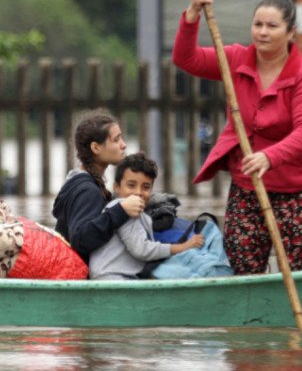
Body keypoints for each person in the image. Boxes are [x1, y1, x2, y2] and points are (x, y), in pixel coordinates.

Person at [174, 0, 302, 275]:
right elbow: (186, 59)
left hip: (299, 190)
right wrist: (193, 12)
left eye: (272, 26)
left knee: (299, 272)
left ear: (290, 32)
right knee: (241, 266)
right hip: (248, 185)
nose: (262, 32)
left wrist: (269, 157)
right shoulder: (234, 59)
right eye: (257, 24)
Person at [89, 152, 203, 280]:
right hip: (112, 277)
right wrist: (183, 247)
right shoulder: (124, 207)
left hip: (111, 275)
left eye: (146, 187)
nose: (138, 192)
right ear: (117, 187)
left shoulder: (128, 209)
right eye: (131, 185)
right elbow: (142, 250)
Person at [52, 109, 145, 262]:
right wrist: (121, 211)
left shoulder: (80, 182)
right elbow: (80, 239)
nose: (124, 145)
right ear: (96, 148)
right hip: (80, 276)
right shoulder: (87, 190)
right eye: (116, 140)